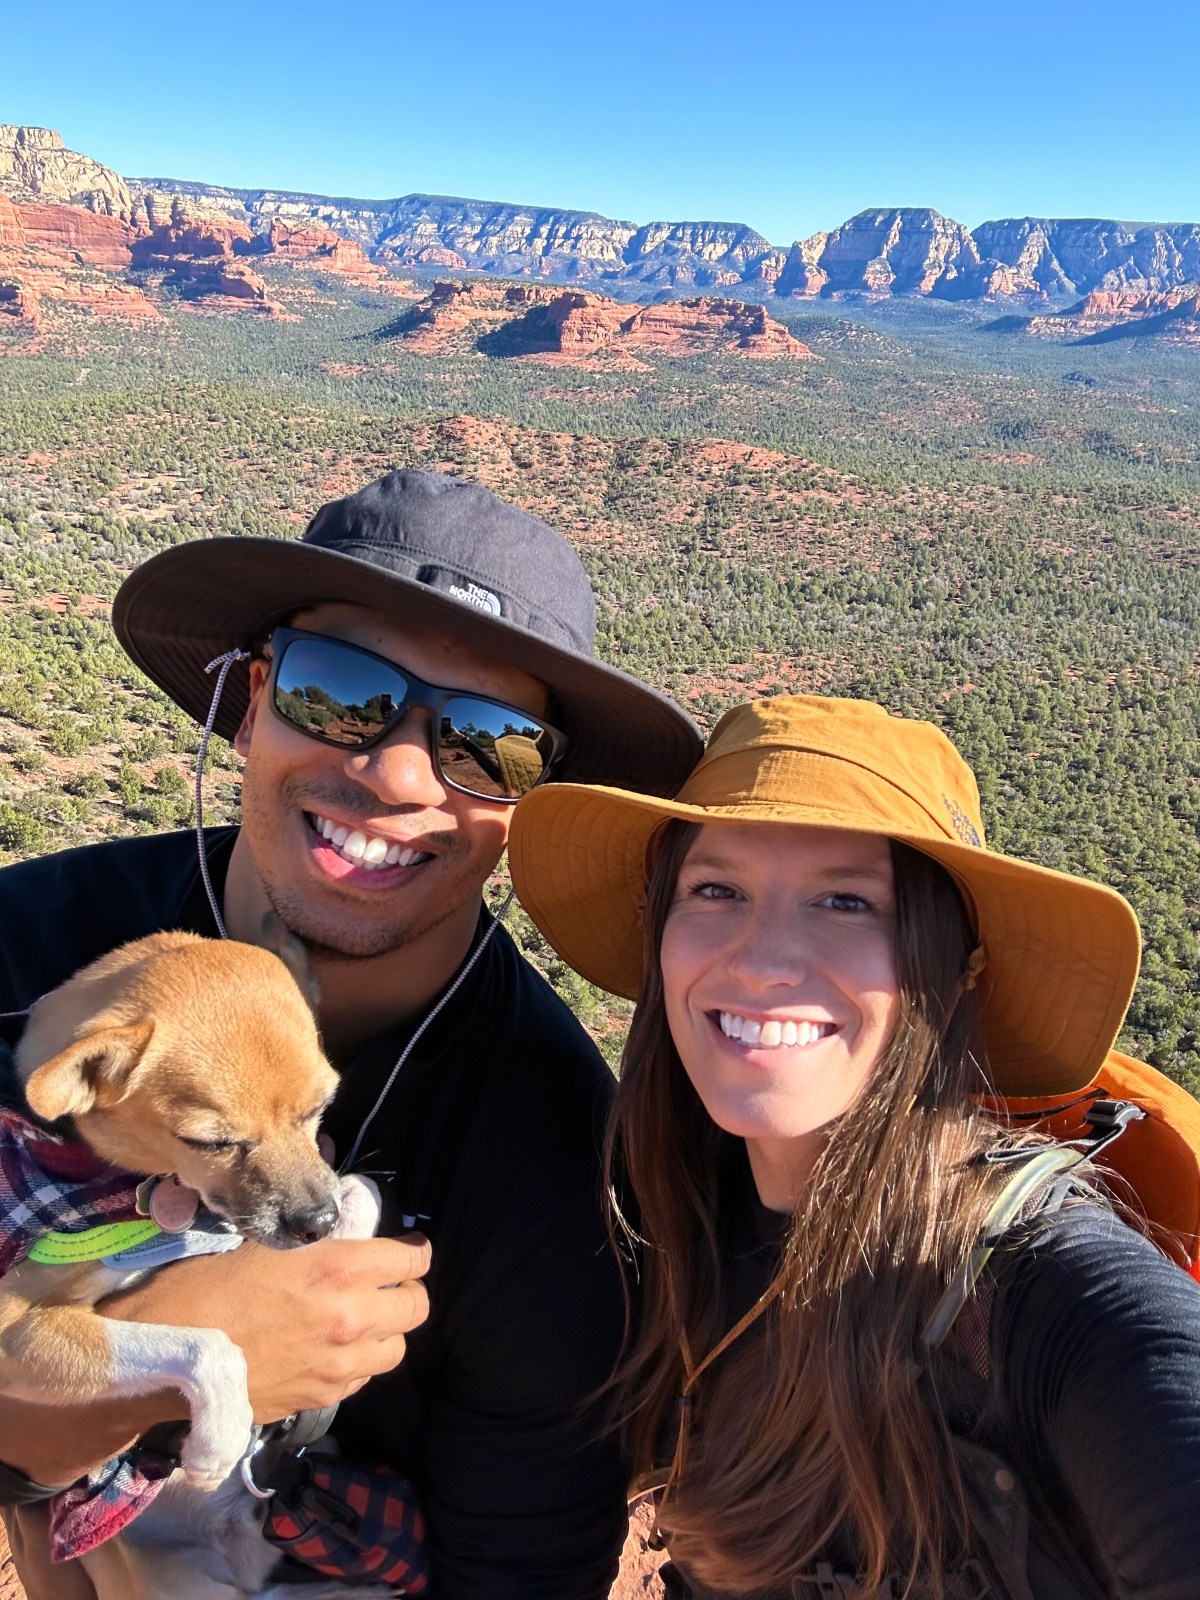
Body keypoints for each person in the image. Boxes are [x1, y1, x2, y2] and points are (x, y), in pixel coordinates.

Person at [0, 468, 704, 1599]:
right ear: (251, 695)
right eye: (337, 691)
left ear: (539, 799)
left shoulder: (552, 1152)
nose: (394, 772)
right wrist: (153, 1367)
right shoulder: (28, 959)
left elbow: (518, 1568)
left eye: (492, 745)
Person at [509, 694, 1200, 1600]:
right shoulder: (664, 1218)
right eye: (715, 889)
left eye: (846, 901)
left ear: (956, 973)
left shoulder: (1047, 1297)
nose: (761, 961)